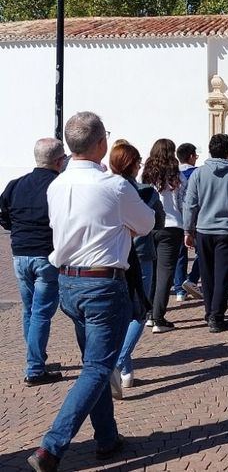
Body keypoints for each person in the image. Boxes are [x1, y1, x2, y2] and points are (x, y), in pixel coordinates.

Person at [28, 112, 154, 471]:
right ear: (101, 144)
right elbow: (146, 224)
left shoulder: (57, 184)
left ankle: (107, 437)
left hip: (68, 279)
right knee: (98, 368)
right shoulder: (113, 186)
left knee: (93, 365)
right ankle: (51, 447)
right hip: (102, 282)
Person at [0, 138, 66, 387]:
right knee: (40, 313)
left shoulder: (15, 185)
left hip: (20, 253)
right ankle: (35, 367)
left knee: (29, 310)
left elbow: (3, 214)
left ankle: (35, 358)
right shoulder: (58, 185)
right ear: (59, 161)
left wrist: (16, 228)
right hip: (45, 255)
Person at [109, 142, 165, 390]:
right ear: (133, 165)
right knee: (139, 311)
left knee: (119, 312)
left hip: (113, 255)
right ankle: (120, 360)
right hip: (140, 254)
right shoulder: (146, 193)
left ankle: (126, 371)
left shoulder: (104, 189)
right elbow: (158, 223)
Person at [183, 134, 228, 333]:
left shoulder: (198, 174)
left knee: (207, 273)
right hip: (227, 230)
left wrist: (188, 229)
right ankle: (217, 315)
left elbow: (190, 204)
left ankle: (209, 312)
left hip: (203, 230)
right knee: (223, 275)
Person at [141, 139, 185, 333]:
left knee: (152, 271)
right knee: (166, 273)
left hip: (151, 224)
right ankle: (158, 317)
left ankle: (149, 313)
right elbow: (182, 202)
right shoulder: (177, 175)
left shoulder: (147, 174)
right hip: (172, 225)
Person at [173, 143, 203, 302]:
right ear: (191, 156)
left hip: (177, 218)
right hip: (196, 217)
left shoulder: (174, 173)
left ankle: (179, 290)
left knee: (180, 255)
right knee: (201, 252)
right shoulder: (198, 173)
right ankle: (192, 279)